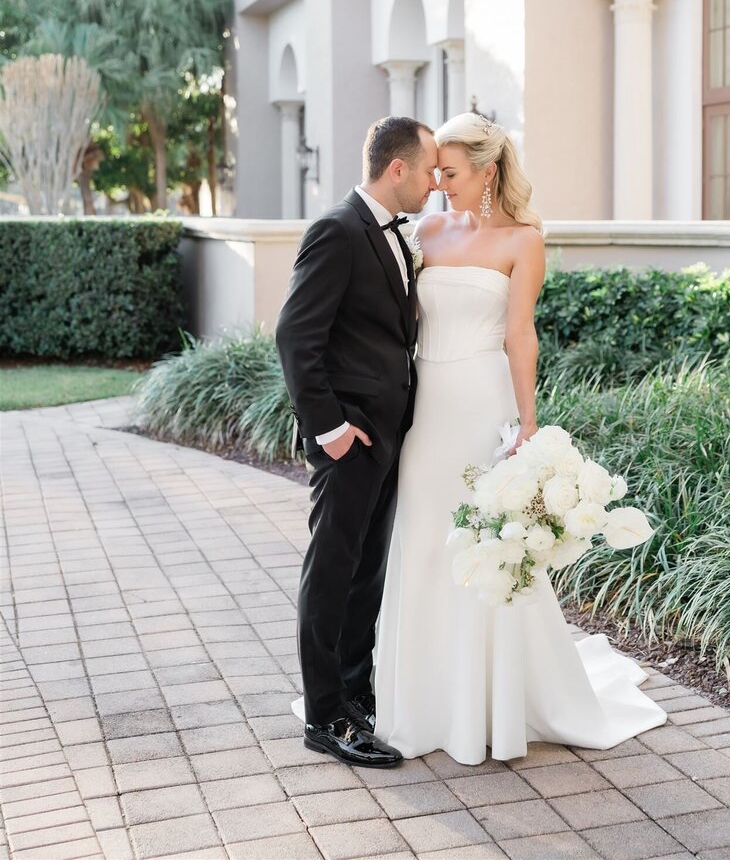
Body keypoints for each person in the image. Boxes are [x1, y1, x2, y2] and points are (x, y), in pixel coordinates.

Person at [374, 111, 667, 763]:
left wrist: (528, 422)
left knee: (484, 539)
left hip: (483, 402)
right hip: (425, 404)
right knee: (422, 535)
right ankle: (421, 697)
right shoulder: (426, 231)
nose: (439, 183)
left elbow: (520, 334)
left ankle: (494, 701)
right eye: (435, 172)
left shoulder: (523, 240)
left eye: (450, 172)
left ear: (488, 171)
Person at [275, 115, 439, 768]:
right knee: (332, 573)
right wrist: (331, 429)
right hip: (350, 438)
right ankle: (325, 717)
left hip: (388, 434)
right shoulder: (337, 230)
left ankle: (355, 696)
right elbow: (296, 335)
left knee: (365, 574)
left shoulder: (396, 233)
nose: (435, 182)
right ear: (397, 169)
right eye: (429, 170)